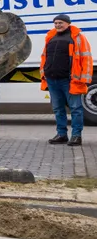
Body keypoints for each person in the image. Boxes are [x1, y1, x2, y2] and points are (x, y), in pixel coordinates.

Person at [41, 14, 93, 146]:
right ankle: (62, 134)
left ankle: (76, 136)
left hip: (69, 80)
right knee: (58, 109)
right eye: (56, 23)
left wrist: (85, 79)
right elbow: (44, 57)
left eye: (60, 23)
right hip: (52, 80)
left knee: (75, 108)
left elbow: (86, 58)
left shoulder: (77, 37)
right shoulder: (50, 37)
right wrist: (44, 75)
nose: (58, 25)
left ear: (68, 23)